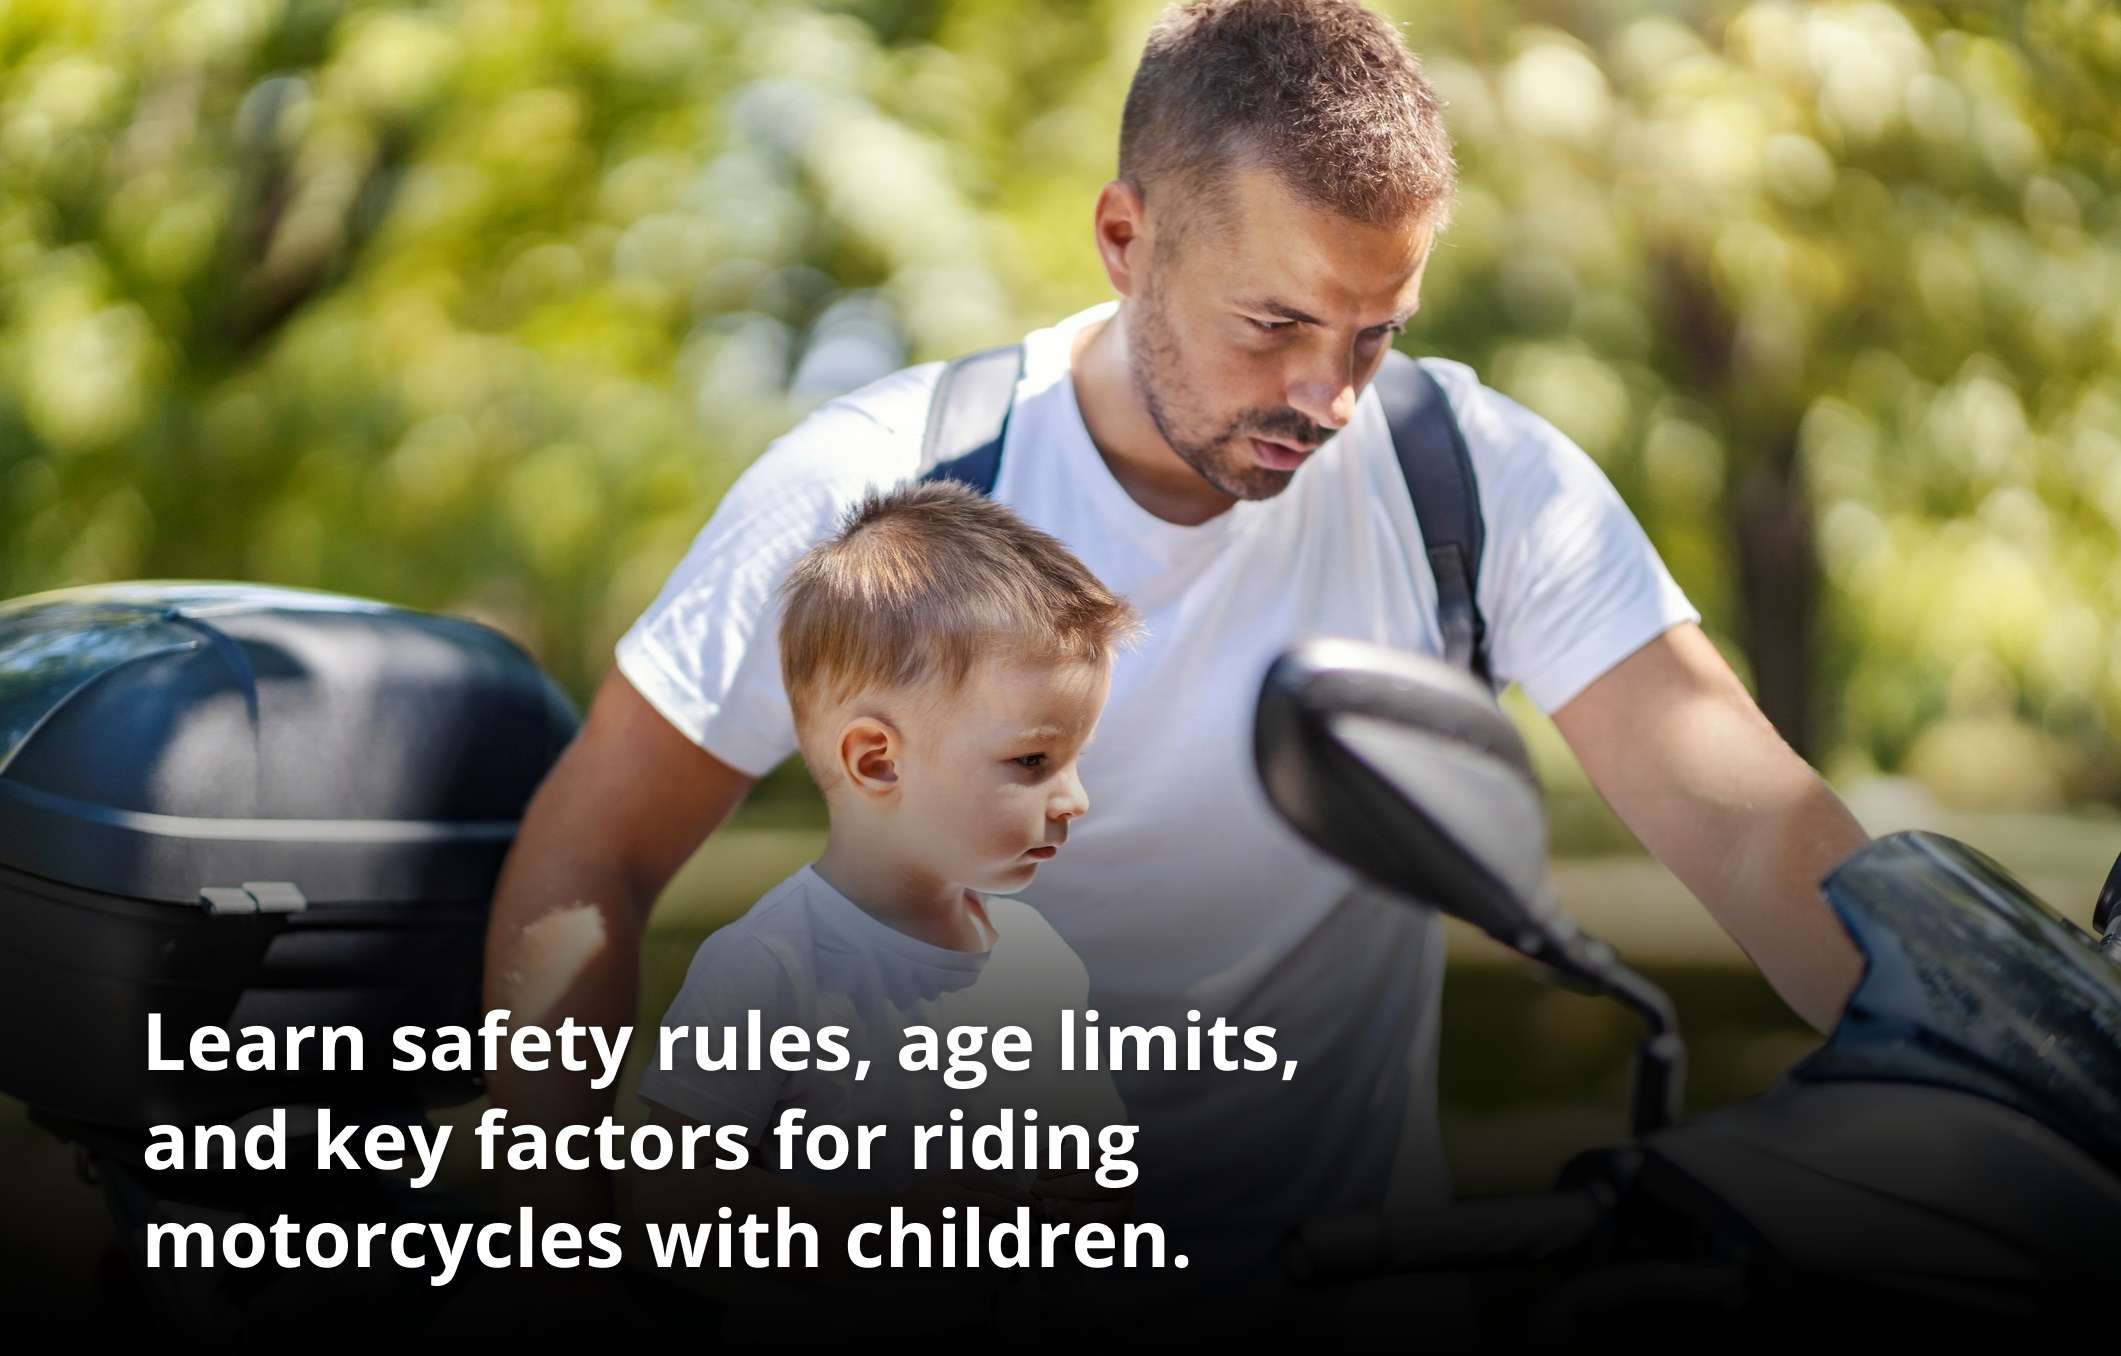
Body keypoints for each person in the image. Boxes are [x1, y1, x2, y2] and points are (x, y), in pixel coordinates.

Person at [486, 0, 1869, 1285]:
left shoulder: (1476, 482)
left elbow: (1755, 832)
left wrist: (1963, 1044)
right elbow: (594, 848)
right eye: (1275, 323)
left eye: (1373, 334)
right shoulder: (876, 493)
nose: (1328, 396)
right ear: (1124, 237)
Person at [621, 481, 1140, 1335]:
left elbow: (1092, 1154)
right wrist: (871, 1228)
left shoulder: (1037, 958)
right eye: (1033, 761)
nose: (1074, 799)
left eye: (1076, 758)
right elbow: (671, 1203)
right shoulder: (774, 965)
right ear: (877, 761)